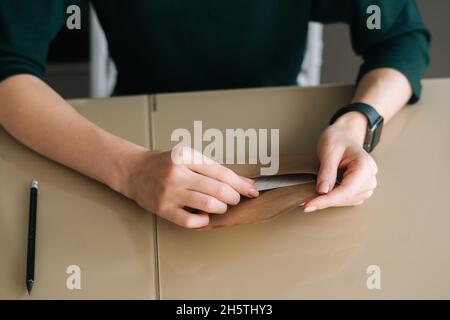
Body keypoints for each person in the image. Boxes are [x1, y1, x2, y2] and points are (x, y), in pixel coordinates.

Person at [0, 1, 430, 228]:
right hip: (130, 141)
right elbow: (8, 68)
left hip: (284, 139)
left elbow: (399, 36)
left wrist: (358, 123)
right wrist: (128, 171)